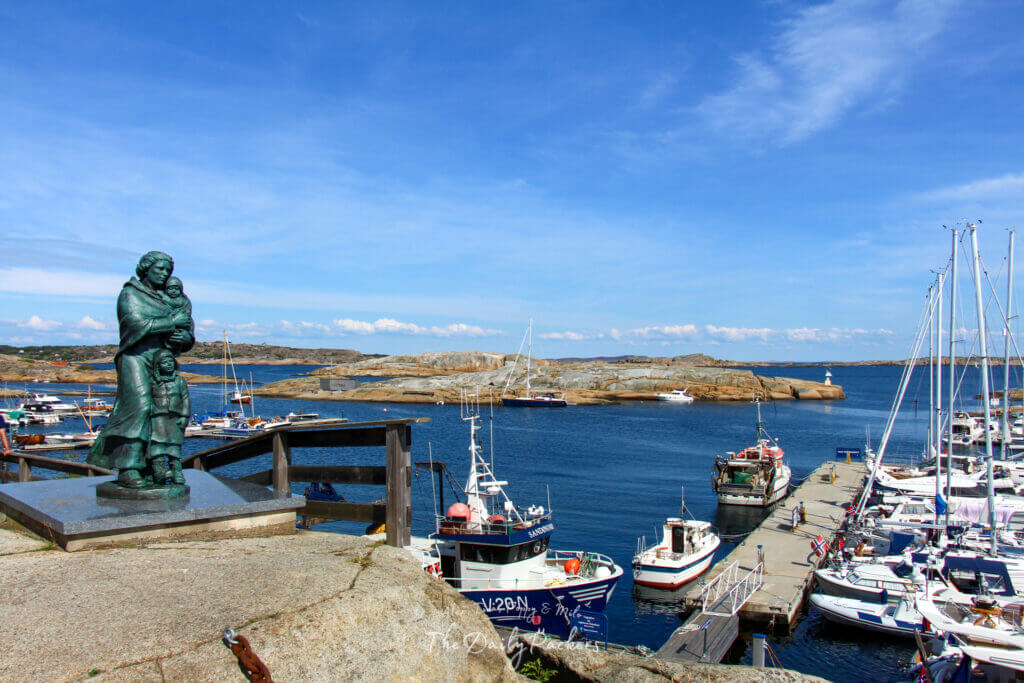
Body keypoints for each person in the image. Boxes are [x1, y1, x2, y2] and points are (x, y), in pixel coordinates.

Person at [87, 251, 194, 487]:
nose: (165, 274)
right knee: (140, 406)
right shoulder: (130, 294)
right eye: (161, 269)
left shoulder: (169, 297)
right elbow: (134, 324)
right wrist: (171, 323)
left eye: (168, 270)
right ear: (146, 269)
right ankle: (129, 468)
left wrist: (182, 337)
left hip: (161, 357)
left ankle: (149, 465)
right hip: (135, 356)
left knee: (159, 411)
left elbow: (187, 330)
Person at [149, 349, 190, 486]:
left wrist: (184, 416)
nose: (168, 364)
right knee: (157, 446)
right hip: (157, 419)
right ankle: (158, 472)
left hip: (175, 419)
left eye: (170, 361)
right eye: (164, 362)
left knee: (174, 446)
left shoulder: (180, 381)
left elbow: (185, 399)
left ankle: (176, 471)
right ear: (157, 365)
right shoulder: (152, 382)